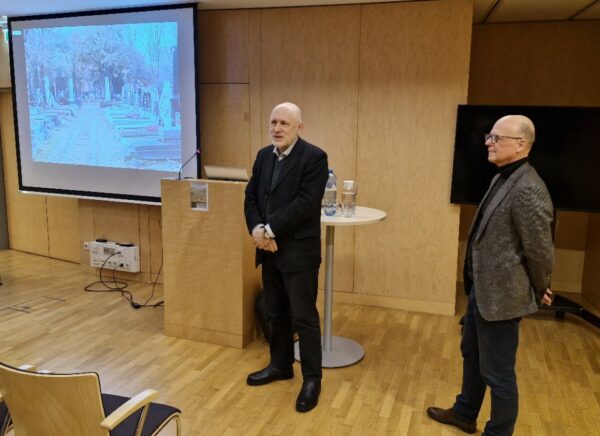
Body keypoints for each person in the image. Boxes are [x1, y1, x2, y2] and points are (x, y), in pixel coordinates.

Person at [427, 115, 554, 435]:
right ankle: (465, 413)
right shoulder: (503, 176)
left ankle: (498, 432)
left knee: (498, 374)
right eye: (490, 136)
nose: (488, 142)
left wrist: (542, 287)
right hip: (482, 291)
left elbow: (540, 250)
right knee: (471, 353)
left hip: (502, 297)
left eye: (497, 138)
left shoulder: (528, 188)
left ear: (521, 144)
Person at [244, 102, 328, 413]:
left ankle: (312, 379)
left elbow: (306, 204)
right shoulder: (264, 156)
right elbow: (251, 196)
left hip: (299, 253)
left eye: (285, 124)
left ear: (299, 128)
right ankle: (280, 365)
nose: (277, 128)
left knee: (303, 318)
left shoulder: (315, 158)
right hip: (268, 251)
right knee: (275, 313)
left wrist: (269, 229)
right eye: (274, 122)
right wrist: (256, 228)